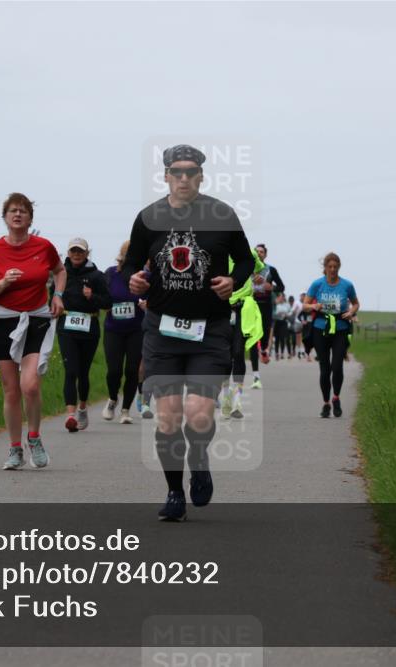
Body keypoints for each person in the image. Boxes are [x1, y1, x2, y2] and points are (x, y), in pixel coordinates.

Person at [124, 144, 254, 521]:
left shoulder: (221, 214)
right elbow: (132, 260)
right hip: (162, 329)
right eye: (176, 172)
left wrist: (234, 279)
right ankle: (173, 493)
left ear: (201, 176)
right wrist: (132, 278)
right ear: (165, 175)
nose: (183, 178)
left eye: (190, 172)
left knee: (198, 415)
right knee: (167, 419)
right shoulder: (148, 217)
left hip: (210, 330)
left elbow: (245, 259)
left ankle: (199, 456)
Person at [0, 193, 66, 469]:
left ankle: (35, 438)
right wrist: (3, 282)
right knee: (11, 389)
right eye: (13, 211)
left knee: (30, 384)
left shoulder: (43, 246)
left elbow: (60, 270)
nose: (18, 215)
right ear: (5, 217)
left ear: (30, 218)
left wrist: (58, 295)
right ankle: (15, 448)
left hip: (36, 318)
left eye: (23, 211)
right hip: (3, 320)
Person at [57, 237, 112, 432]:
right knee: (70, 371)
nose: (76, 254)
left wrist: (92, 297)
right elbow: (52, 296)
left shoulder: (97, 276)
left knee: (83, 372)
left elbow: (107, 303)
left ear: (87, 254)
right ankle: (70, 415)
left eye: (80, 251)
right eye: (73, 251)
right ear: (68, 253)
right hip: (66, 327)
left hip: (89, 328)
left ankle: (82, 408)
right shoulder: (61, 273)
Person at [303, 252, 359, 418]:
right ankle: (326, 403)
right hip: (321, 328)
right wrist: (314, 307)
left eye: (335, 267)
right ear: (325, 268)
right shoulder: (317, 284)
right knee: (325, 368)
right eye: (330, 267)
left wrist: (351, 312)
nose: (332, 270)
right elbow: (305, 305)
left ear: (339, 267)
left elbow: (356, 303)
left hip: (340, 328)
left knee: (337, 366)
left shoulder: (347, 285)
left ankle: (336, 398)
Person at [102, 240, 146, 424]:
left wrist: (147, 304)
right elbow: (102, 298)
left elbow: (154, 297)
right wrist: (104, 304)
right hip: (114, 329)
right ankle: (113, 398)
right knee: (114, 370)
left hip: (136, 329)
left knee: (132, 370)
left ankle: (126, 410)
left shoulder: (144, 275)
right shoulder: (111, 274)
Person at [220, 247, 264, 421]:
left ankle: (237, 401)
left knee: (238, 352)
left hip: (242, 309)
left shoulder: (248, 252)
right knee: (223, 357)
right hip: (222, 309)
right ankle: (225, 398)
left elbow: (259, 267)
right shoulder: (217, 250)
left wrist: (255, 275)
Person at [248, 244, 285, 387]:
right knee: (252, 339)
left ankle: (263, 349)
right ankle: (256, 377)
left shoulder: (271, 270)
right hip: (251, 305)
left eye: (261, 252)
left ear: (265, 255)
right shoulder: (247, 268)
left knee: (263, 337)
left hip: (266, 306)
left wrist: (273, 287)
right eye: (256, 251)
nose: (259, 253)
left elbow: (282, 287)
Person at [272, 292, 290, 360]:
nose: (282, 298)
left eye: (283, 297)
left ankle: (282, 353)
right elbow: (274, 313)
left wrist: (287, 314)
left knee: (282, 338)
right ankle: (276, 353)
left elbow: (289, 312)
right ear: (278, 297)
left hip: (284, 321)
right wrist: (278, 313)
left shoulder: (287, 305)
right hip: (277, 322)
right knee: (277, 338)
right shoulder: (276, 305)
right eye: (281, 297)